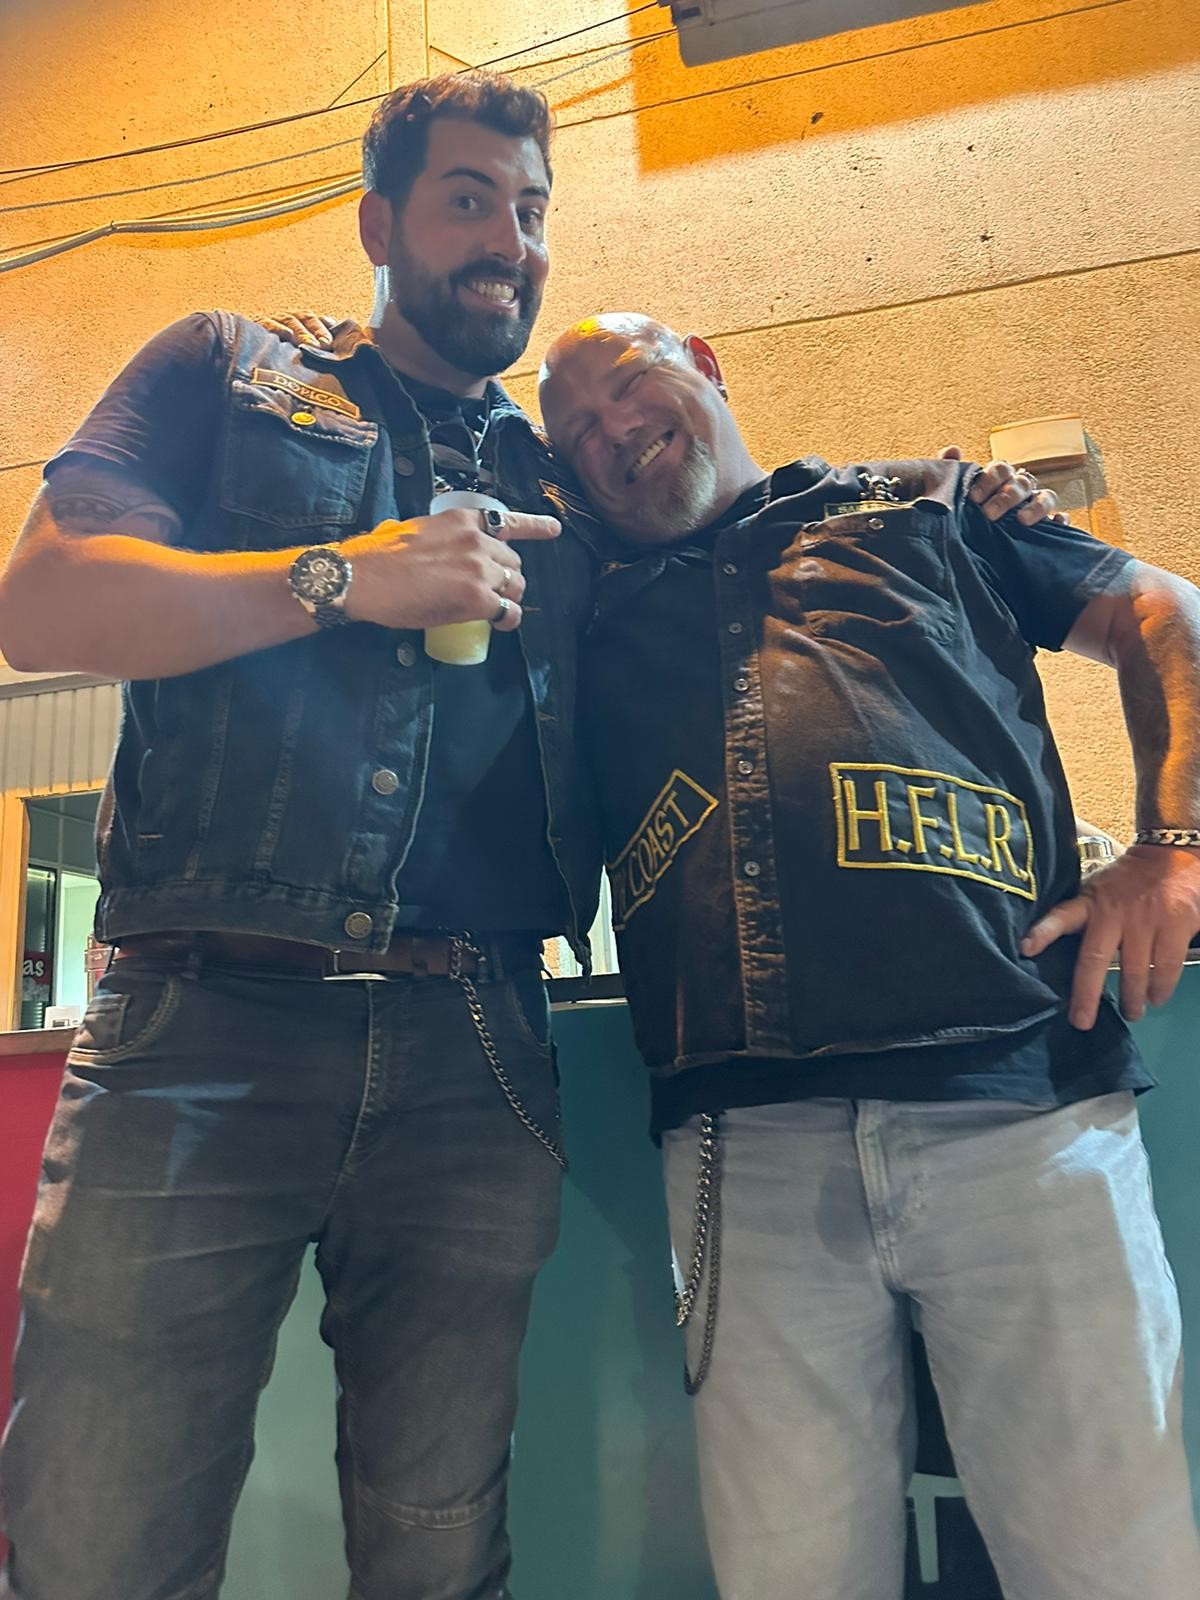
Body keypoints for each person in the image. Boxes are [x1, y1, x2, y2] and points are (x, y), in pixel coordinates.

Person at [0, 73, 602, 1600]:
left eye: (531, 210)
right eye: (468, 199)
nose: (509, 240)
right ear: (378, 224)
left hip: (479, 1043)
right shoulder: (228, 366)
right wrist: (345, 576)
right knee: (94, 1547)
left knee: (440, 1554)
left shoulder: (560, 472)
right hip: (199, 1025)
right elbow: (45, 603)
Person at [536, 313, 1200, 1600]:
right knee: (790, 1578)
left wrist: (1174, 844)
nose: (613, 430)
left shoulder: (931, 506)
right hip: (737, 1146)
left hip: (1026, 1106)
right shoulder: (587, 610)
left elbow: (1161, 609)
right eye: (575, 433)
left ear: (707, 362)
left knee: (1115, 1562)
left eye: (632, 383)